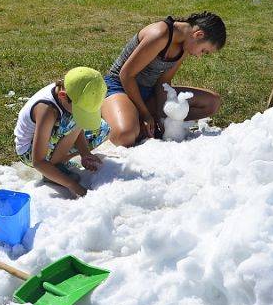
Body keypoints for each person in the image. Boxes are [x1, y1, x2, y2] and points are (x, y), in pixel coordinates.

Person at [101, 12, 226, 147]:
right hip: (121, 87)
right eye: (203, 51)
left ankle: (135, 121)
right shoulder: (160, 35)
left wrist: (163, 118)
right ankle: (113, 122)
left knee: (212, 103)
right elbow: (126, 75)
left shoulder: (185, 46)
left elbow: (163, 83)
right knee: (124, 136)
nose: (199, 56)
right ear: (198, 35)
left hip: (149, 93)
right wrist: (146, 114)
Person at [14, 67, 109, 198]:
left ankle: (57, 163)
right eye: (80, 111)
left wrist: (85, 152)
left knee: (102, 129)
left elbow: (77, 126)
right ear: (63, 96)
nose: (81, 115)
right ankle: (53, 170)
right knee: (72, 121)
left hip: (53, 139)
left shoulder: (70, 93)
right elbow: (38, 161)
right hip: (30, 152)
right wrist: (72, 185)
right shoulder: (47, 110)